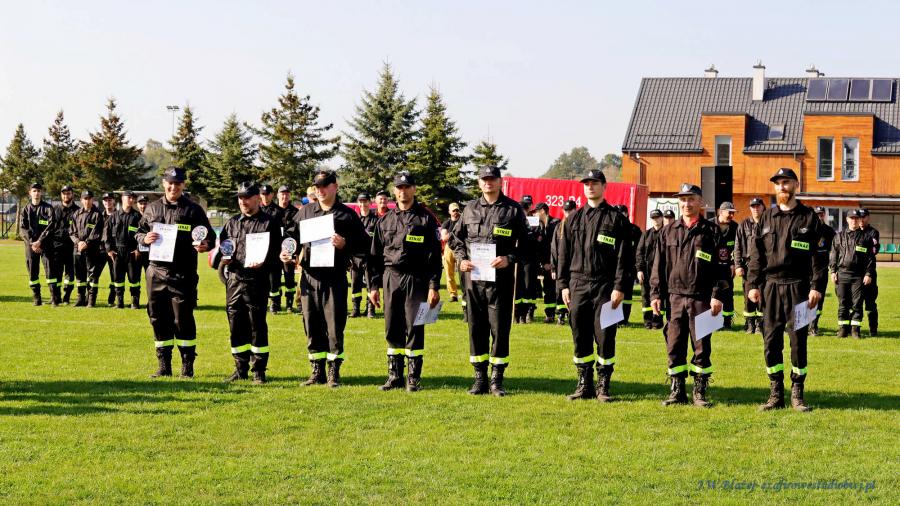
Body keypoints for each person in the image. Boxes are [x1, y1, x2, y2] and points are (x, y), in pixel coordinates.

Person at [747, 168, 827, 412]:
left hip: (799, 287)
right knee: (770, 341)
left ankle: (797, 393)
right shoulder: (767, 217)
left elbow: (819, 257)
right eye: (778, 183)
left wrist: (816, 286)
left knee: (798, 341)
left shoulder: (809, 217)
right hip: (770, 287)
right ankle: (775, 392)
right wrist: (752, 284)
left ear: (796, 185)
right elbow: (756, 255)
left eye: (786, 182)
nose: (782, 187)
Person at [282, 170, 368, 388]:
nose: (320, 190)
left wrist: (345, 244)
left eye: (324, 186)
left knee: (334, 326)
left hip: (334, 278)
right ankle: (316, 371)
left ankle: (333, 372)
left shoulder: (347, 215)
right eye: (317, 187)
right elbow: (291, 236)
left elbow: (364, 246)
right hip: (309, 278)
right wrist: (287, 251)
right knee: (311, 324)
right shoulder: (306, 212)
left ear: (335, 187)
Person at [450, 165, 528, 396]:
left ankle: (496, 379)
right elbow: (456, 239)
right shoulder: (469, 209)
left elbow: (527, 245)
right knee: (476, 328)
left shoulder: (512, 210)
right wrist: (462, 259)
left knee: (500, 329)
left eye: (492, 178)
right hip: (473, 280)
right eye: (484, 179)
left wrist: (509, 258)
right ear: (479, 183)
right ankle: (479, 378)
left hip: (500, 281)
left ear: (500, 181)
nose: (488, 182)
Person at [558, 169, 635, 402]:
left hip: (606, 286)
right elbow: (563, 255)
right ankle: (584, 384)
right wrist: (563, 285)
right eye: (587, 183)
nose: (590, 187)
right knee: (579, 335)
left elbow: (625, 257)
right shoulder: (573, 219)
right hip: (578, 285)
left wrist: (620, 287)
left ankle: (603, 385)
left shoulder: (617, 219)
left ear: (604, 186)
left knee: (606, 336)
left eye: (594, 183)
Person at [650, 184, 727, 407]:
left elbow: (722, 267)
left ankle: (699, 392)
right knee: (674, 344)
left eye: (691, 199)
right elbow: (658, 265)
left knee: (701, 345)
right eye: (683, 199)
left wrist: (717, 294)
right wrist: (655, 294)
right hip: (674, 298)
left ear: (700, 202)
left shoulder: (712, 231)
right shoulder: (668, 231)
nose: (686, 204)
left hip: (701, 297)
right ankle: (677, 391)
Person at [136, 167, 215, 379]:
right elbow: (139, 232)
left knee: (183, 319)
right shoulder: (152, 208)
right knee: (157, 318)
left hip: (183, 273)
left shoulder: (193, 210)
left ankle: (187, 366)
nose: (173, 187)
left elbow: (210, 237)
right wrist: (144, 239)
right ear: (164, 183)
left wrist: (205, 245)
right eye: (170, 183)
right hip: (156, 272)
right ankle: (164, 365)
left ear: (183, 185)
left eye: (178, 183)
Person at [367, 172, 442, 392]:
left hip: (417, 278)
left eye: (407, 187)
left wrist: (434, 286)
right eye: (399, 188)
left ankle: (413, 378)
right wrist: (373, 286)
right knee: (392, 327)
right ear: (394, 191)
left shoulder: (426, 219)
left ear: (414, 189)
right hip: (391, 277)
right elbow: (374, 257)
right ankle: (394, 376)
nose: (403, 191)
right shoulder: (385, 220)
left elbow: (435, 257)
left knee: (416, 326)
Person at [219, 182, 282, 384]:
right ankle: (240, 369)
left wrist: (265, 262)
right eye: (240, 198)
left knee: (257, 326)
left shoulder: (269, 223)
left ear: (257, 198)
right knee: (235, 325)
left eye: (247, 197)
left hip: (257, 281)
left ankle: (259, 371)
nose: (243, 201)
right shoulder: (231, 223)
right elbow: (223, 249)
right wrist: (224, 258)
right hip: (234, 281)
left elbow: (278, 255)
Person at [829, 210, 875, 339]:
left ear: (859, 220)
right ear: (847, 220)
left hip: (858, 275)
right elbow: (833, 255)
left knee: (857, 303)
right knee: (843, 302)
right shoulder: (838, 236)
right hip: (842, 274)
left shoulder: (866, 237)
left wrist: (868, 274)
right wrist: (833, 271)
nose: (854, 220)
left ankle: (855, 330)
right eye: (852, 218)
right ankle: (843, 329)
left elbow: (870, 258)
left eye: (856, 218)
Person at [103, 191, 143, 309]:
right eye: (128, 197)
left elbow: (143, 233)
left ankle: (135, 302)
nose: (131, 200)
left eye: (132, 198)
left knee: (134, 278)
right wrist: (109, 250)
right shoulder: (113, 216)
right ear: (122, 198)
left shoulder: (137, 216)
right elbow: (106, 235)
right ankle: (119, 302)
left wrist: (138, 249)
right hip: (117, 252)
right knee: (118, 278)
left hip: (132, 252)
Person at [19, 183, 56, 306]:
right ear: (30, 193)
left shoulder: (48, 208)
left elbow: (51, 226)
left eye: (39, 191)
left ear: (42, 193)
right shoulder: (25, 209)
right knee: (32, 272)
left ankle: (53, 298)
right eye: (34, 191)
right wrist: (32, 243)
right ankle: (37, 298)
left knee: (50, 272)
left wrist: (40, 241)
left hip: (46, 245)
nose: (36, 193)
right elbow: (23, 229)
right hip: (31, 247)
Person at [734, 198, 765, 334]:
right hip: (748, 266)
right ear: (750, 208)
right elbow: (737, 247)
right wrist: (738, 265)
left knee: (763, 296)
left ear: (763, 207)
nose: (755, 208)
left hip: (765, 266)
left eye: (758, 206)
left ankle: (760, 324)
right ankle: (750, 323)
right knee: (748, 296)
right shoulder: (744, 224)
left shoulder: (768, 224)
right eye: (753, 206)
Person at [69, 191, 104, 307]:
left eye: (89, 198)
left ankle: (91, 300)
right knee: (80, 274)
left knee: (92, 275)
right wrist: (78, 242)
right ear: (81, 200)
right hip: (78, 249)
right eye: (85, 198)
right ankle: (80, 299)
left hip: (92, 249)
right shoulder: (76, 213)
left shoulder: (97, 214)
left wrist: (87, 242)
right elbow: (72, 232)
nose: (87, 201)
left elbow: (97, 233)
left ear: (92, 199)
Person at [258, 184, 285, 313]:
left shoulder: (278, 211)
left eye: (267, 194)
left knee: (274, 278)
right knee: (262, 278)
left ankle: (275, 303)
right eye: (263, 194)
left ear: (272, 195)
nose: (265, 196)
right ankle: (263, 301)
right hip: (260, 249)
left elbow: (283, 231)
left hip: (274, 249)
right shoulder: (257, 209)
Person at [636, 209, 664, 329]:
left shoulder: (666, 233)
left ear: (662, 218)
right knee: (646, 296)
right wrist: (639, 270)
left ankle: (658, 321)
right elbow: (639, 253)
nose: (656, 220)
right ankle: (648, 322)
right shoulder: (646, 234)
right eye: (653, 218)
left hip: (661, 271)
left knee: (660, 296)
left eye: (657, 217)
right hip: (647, 271)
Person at [614, 204, 642, 327]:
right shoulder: (612, 229)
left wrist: (637, 268)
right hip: (613, 268)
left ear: (626, 213)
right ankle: (613, 319)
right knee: (612, 293)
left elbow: (639, 251)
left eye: (621, 213)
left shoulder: (634, 230)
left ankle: (624, 319)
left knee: (627, 295)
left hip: (629, 268)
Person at [550, 200, 577, 325]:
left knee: (574, 292)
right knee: (560, 290)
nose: (568, 213)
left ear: (575, 210)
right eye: (566, 211)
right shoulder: (559, 227)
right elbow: (554, 248)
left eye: (570, 210)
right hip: (561, 265)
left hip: (575, 265)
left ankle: (573, 314)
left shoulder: (579, 225)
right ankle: (561, 315)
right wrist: (553, 267)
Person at [350, 192, 377, 318]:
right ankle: (356, 309)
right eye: (360, 202)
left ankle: (370, 309)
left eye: (365, 201)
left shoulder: (376, 220)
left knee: (370, 284)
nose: (363, 204)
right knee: (355, 284)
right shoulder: (354, 220)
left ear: (370, 203)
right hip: (355, 257)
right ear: (358, 203)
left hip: (370, 257)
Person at [810, 206, 836, 335]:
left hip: (822, 271)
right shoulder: (807, 230)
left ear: (824, 215)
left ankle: (814, 326)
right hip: (807, 271)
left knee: (819, 300)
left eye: (821, 214)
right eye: (817, 214)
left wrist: (834, 268)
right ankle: (803, 326)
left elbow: (835, 250)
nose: (819, 216)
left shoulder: (829, 231)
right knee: (804, 300)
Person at [51, 185, 79, 304]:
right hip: (56, 246)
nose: (66, 195)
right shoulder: (54, 210)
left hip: (71, 247)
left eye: (68, 193)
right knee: (56, 272)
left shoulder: (78, 211)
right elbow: (50, 228)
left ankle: (67, 296)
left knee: (70, 273)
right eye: (64, 193)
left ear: (72, 195)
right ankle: (56, 297)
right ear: (61, 195)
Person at [514, 195, 540, 323]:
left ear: (530, 206)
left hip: (530, 258)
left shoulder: (534, 221)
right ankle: (516, 313)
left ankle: (527, 312)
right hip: (517, 258)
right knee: (517, 287)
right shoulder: (515, 219)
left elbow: (537, 238)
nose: (524, 207)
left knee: (529, 286)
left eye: (526, 205)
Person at [534, 203, 561, 323]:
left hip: (556, 264)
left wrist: (553, 263)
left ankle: (561, 315)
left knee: (558, 289)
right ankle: (549, 315)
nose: (535, 214)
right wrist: (543, 263)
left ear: (543, 211)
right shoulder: (538, 227)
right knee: (548, 290)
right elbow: (539, 248)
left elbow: (558, 247)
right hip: (545, 265)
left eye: (536, 211)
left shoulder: (556, 224)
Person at [713, 202, 738, 329]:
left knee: (727, 293)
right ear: (721, 212)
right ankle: (711, 321)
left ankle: (727, 321)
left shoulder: (735, 227)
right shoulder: (709, 225)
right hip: (711, 267)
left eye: (733, 213)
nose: (732, 215)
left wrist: (734, 264)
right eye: (730, 212)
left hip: (727, 267)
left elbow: (738, 248)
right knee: (711, 293)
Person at [276, 185, 300, 313]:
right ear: (278, 195)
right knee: (275, 278)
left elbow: (298, 232)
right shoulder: (273, 211)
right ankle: (276, 303)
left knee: (289, 278)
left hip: (289, 249)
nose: (284, 196)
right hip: (275, 250)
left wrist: (296, 251)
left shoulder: (295, 212)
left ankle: (289, 304)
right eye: (282, 194)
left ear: (290, 195)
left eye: (286, 194)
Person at [858, 208, 880, 336]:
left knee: (870, 303)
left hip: (869, 272)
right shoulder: (854, 232)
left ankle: (873, 330)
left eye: (864, 217)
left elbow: (873, 251)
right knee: (856, 302)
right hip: (855, 274)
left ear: (868, 217)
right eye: (859, 217)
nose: (861, 219)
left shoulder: (873, 232)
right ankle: (855, 329)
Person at [99, 192, 118, 306]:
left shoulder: (118, 215)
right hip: (100, 250)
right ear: (103, 202)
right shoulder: (99, 215)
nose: (107, 202)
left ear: (114, 201)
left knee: (114, 275)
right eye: (105, 200)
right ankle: (89, 299)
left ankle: (112, 299)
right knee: (94, 274)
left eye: (110, 200)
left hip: (113, 251)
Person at [440, 202, 462, 303]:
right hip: (449, 248)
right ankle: (453, 295)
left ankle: (466, 292)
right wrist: (455, 233)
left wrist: (451, 234)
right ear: (449, 212)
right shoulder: (446, 223)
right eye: (453, 210)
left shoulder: (463, 221)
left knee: (464, 273)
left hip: (461, 248)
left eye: (457, 210)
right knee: (449, 273)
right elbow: (444, 237)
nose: (456, 212)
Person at [135, 194, 150, 275]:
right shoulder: (133, 217)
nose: (143, 206)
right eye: (141, 203)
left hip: (150, 252)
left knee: (150, 275)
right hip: (136, 252)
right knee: (135, 276)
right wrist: (135, 248)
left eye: (145, 203)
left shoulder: (153, 216)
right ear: (137, 204)